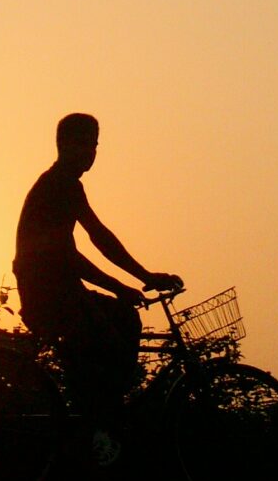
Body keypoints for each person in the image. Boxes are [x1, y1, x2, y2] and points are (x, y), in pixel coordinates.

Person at [12, 113, 181, 456]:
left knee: (124, 319)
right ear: (64, 145)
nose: (91, 152)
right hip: (49, 294)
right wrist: (120, 285)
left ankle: (101, 414)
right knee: (107, 333)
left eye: (95, 145)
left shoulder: (70, 186)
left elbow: (99, 236)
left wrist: (145, 277)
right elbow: (68, 257)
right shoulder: (56, 186)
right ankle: (95, 426)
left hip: (62, 289)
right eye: (85, 144)